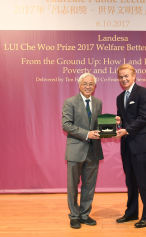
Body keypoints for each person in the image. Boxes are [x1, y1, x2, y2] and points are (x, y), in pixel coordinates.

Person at [115, 64, 146, 228]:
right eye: (121, 77)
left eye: (126, 76)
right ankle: (131, 213)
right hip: (126, 146)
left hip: (141, 145)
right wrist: (118, 122)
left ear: (134, 76)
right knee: (130, 182)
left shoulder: (143, 92)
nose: (124, 79)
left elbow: (144, 116)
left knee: (144, 182)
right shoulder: (119, 97)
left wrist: (126, 129)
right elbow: (124, 119)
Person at [62, 73, 103, 229]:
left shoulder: (98, 103)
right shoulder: (70, 102)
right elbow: (66, 125)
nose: (88, 86)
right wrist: (87, 134)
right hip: (75, 150)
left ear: (94, 86)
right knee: (73, 185)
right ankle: (74, 215)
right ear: (79, 85)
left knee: (89, 184)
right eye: (85, 83)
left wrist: (112, 123)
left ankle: (85, 214)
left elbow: (99, 125)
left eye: (91, 84)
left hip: (93, 151)